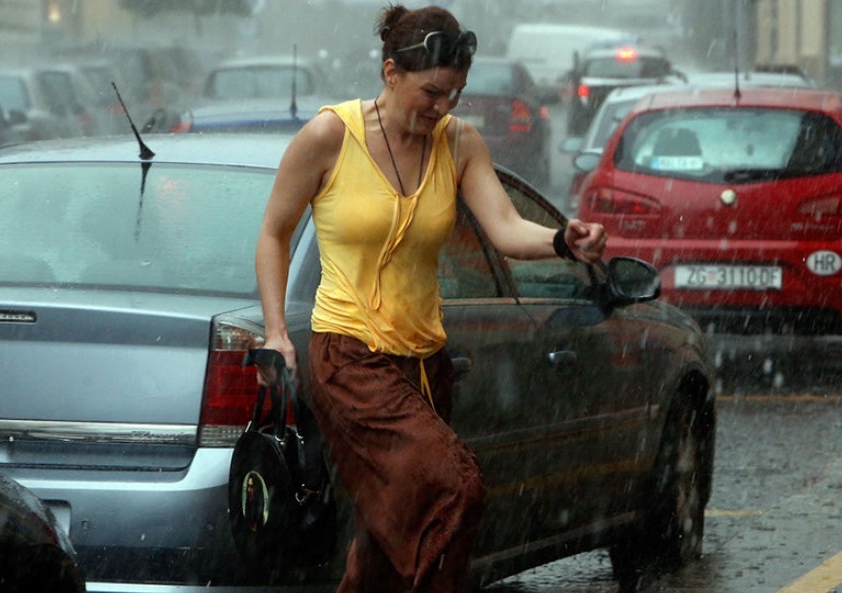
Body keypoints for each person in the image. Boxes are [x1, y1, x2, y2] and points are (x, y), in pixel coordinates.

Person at [254, 4, 607, 592]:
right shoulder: (329, 137)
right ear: (391, 73)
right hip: (348, 359)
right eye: (433, 92)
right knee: (454, 488)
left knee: (386, 537)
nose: (443, 108)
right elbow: (273, 233)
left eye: (456, 94)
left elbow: (504, 228)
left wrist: (561, 241)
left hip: (425, 365)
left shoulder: (459, 143)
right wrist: (275, 331)